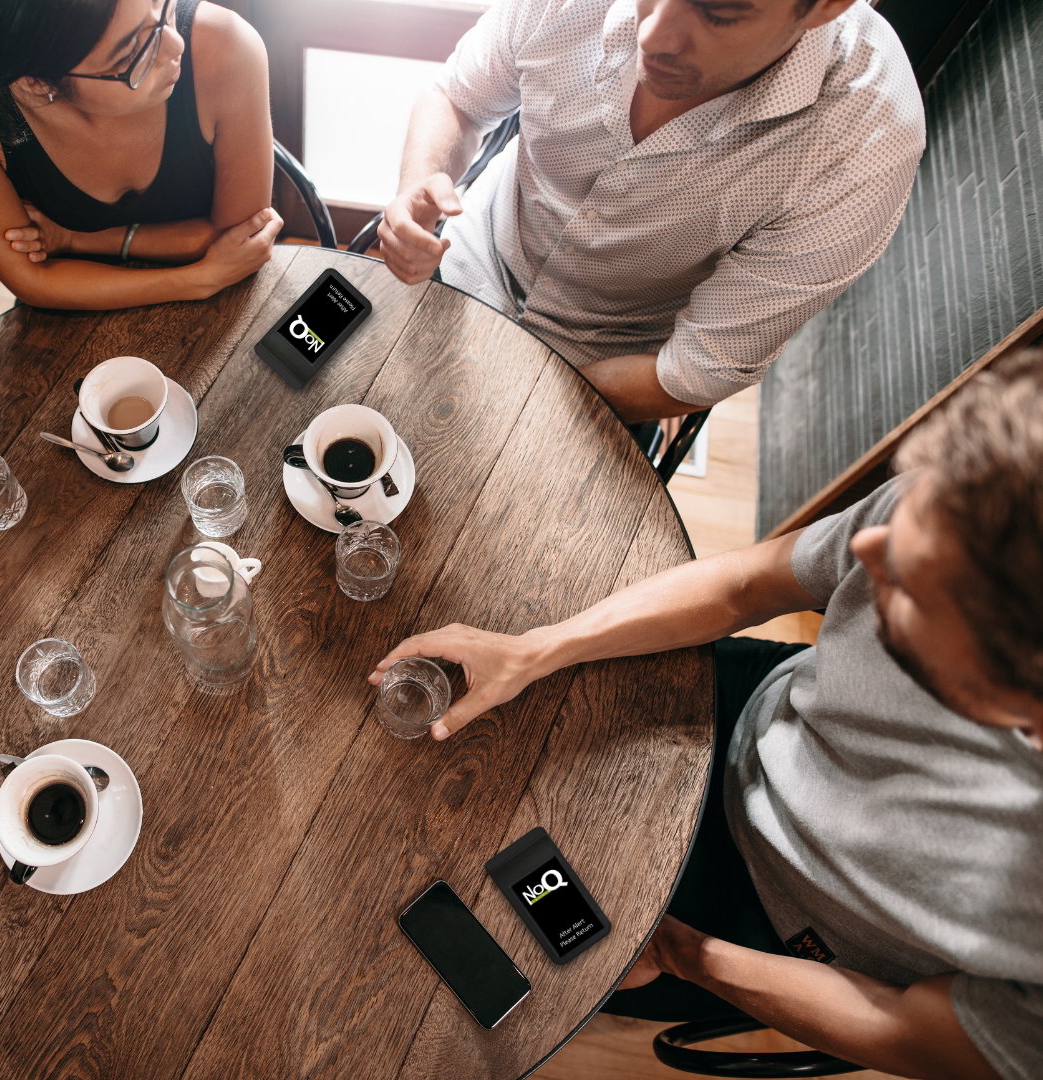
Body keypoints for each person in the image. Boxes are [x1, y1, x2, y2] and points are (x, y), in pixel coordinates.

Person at [369, 350, 1043, 1079]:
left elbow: (918, 1035)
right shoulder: (981, 507)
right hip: (758, 708)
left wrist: (679, 953)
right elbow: (747, 584)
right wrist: (539, 648)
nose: (867, 549)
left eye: (908, 581)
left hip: (767, 923)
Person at [378, 0, 926, 424]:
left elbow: (691, 370)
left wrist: (523, 397)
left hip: (604, 366)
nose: (652, 35)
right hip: (467, 258)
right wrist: (417, 182)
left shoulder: (868, 138)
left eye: (717, 12)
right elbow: (458, 97)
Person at [0, 0, 283, 311]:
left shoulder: (226, 46)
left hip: (226, 300)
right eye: (132, 54)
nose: (174, 46)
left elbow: (241, 240)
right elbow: (31, 280)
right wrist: (198, 279)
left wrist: (77, 241)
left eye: (159, 4)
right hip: (73, 317)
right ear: (36, 84)